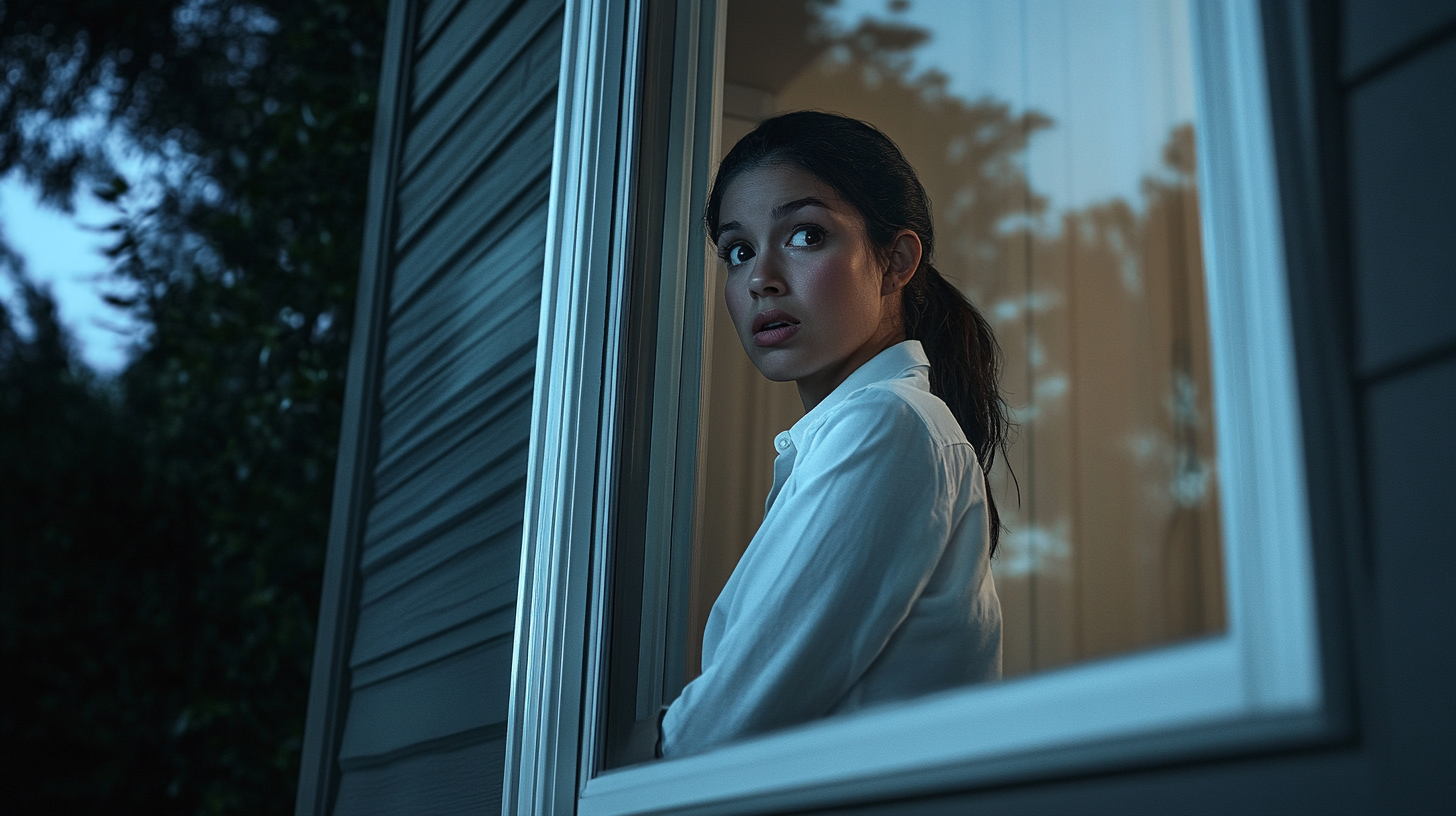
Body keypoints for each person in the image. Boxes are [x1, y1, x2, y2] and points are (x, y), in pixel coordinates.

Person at [659, 111, 1010, 758]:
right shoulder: (854, 434)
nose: (760, 276)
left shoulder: (888, 425)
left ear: (896, 260)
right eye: (737, 251)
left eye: (805, 235)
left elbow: (714, 736)